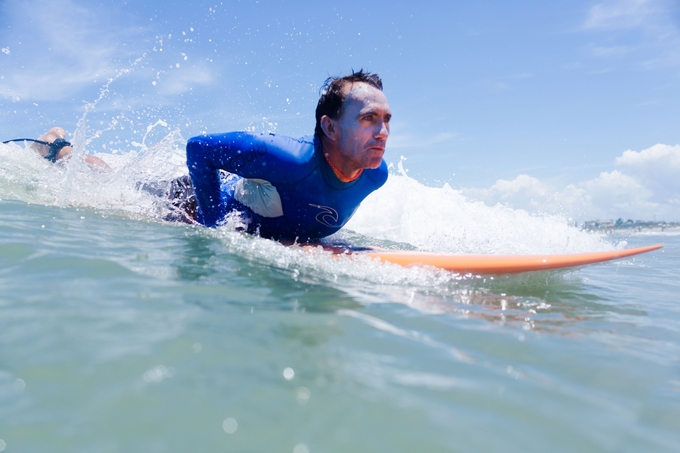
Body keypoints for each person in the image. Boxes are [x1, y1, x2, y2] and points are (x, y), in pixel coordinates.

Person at [186, 70, 391, 241]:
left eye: (386, 119)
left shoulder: (375, 175)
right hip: (187, 203)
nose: (383, 132)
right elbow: (198, 148)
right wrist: (213, 228)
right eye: (368, 118)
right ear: (330, 127)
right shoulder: (291, 160)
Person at [30, 127, 112, 172]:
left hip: (59, 152)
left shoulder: (41, 143)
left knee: (80, 159)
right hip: (62, 152)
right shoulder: (46, 140)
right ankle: (109, 173)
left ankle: (109, 173)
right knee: (82, 159)